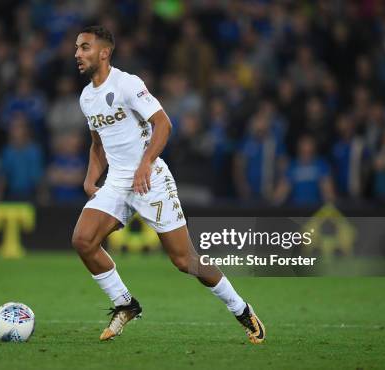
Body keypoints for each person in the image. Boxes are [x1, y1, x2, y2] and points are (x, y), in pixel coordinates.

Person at [72, 26, 265, 344]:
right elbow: (97, 145)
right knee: (83, 240)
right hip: (118, 180)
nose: (77, 53)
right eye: (77, 48)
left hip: (151, 179)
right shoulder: (86, 98)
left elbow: (163, 123)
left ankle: (242, 309)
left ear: (104, 52)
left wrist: (146, 163)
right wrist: (91, 177)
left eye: (85, 47)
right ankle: (125, 303)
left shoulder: (127, 84)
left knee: (184, 260)